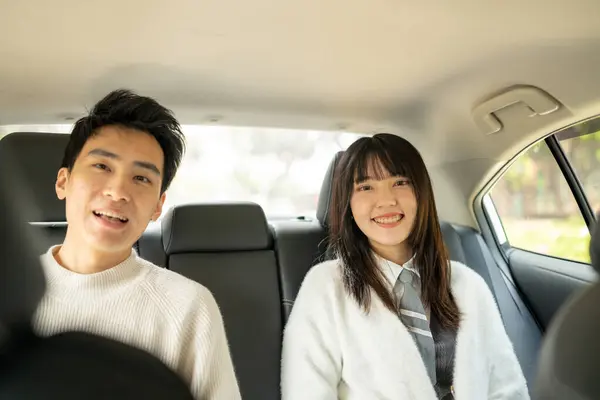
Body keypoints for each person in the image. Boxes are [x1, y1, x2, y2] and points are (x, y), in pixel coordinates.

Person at [281, 133, 529, 399]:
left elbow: (507, 387)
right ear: (348, 203)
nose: (386, 200)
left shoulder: (469, 285)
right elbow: (306, 392)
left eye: (399, 182)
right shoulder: (326, 287)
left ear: (421, 193)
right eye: (366, 187)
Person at [32, 89, 241, 399]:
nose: (118, 192)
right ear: (64, 182)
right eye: (102, 167)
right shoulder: (10, 290)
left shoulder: (188, 306)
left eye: (141, 178)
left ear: (158, 206)